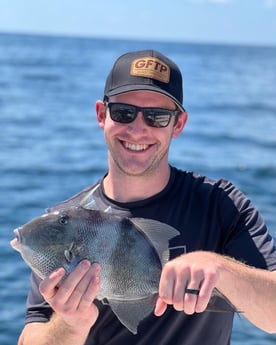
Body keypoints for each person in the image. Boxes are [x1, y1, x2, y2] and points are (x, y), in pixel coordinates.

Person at [18, 50, 276, 345]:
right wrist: (71, 324)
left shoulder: (221, 205)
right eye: (124, 112)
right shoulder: (66, 223)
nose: (138, 129)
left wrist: (220, 269)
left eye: (157, 117)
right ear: (102, 115)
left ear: (178, 125)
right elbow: (31, 336)